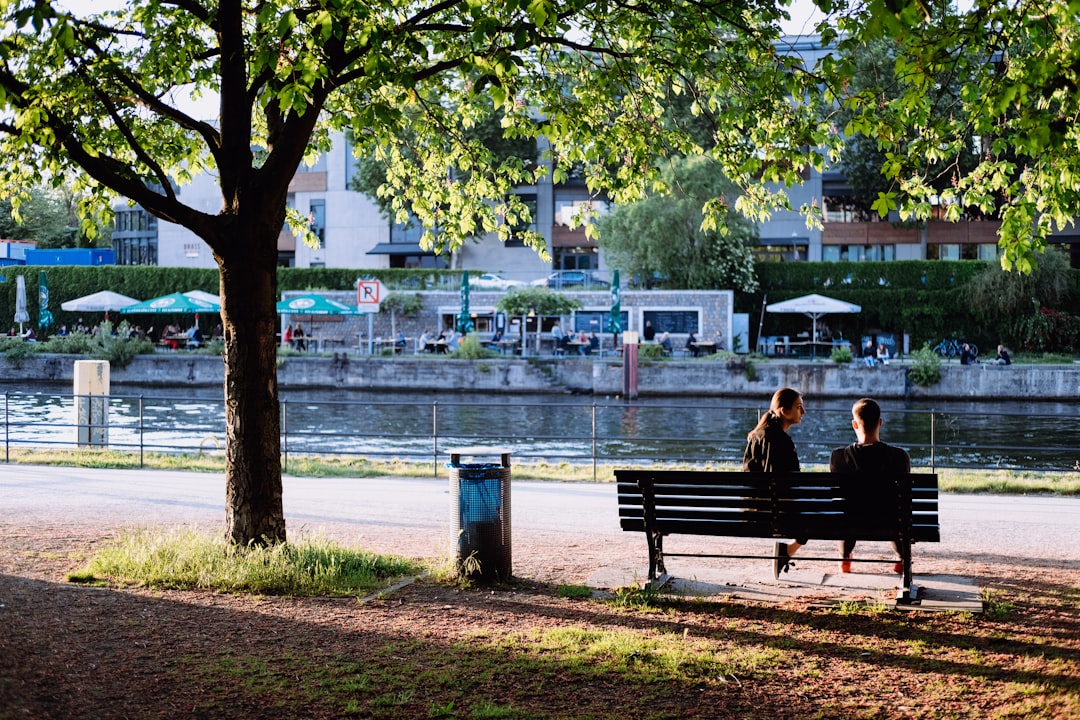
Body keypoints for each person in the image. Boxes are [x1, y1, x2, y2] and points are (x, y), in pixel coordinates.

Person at [829, 397, 910, 574]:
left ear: (854, 425)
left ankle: (844, 556)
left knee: (847, 510)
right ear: (880, 423)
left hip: (852, 521)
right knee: (896, 510)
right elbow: (905, 499)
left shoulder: (838, 457)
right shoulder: (899, 456)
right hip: (889, 521)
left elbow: (836, 498)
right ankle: (903, 557)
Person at [741, 387, 806, 578]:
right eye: (799, 407)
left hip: (752, 508)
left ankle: (787, 552)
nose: (803, 412)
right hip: (774, 512)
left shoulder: (756, 435)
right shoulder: (781, 441)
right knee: (815, 515)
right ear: (784, 411)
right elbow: (786, 482)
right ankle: (787, 551)